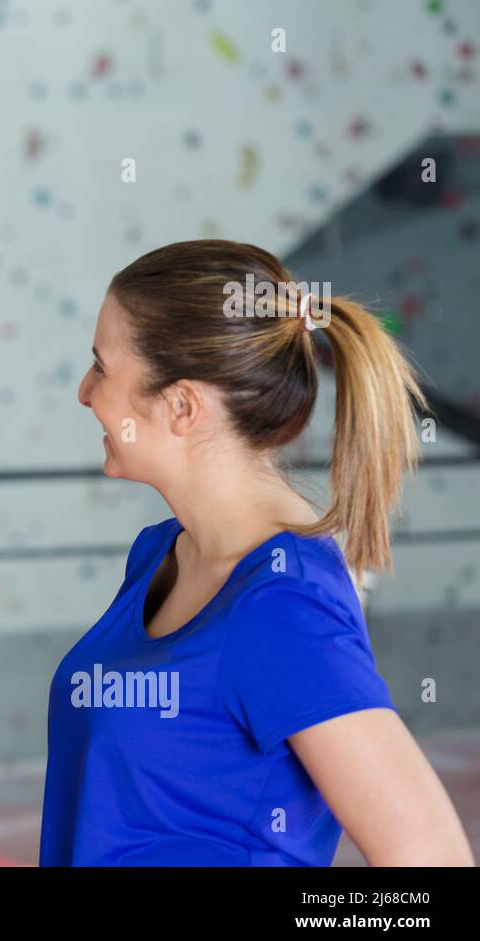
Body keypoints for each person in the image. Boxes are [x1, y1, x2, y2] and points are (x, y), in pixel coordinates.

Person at [40, 239, 474, 866]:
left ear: (181, 405)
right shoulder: (161, 555)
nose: (85, 391)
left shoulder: (279, 603)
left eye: (102, 367)